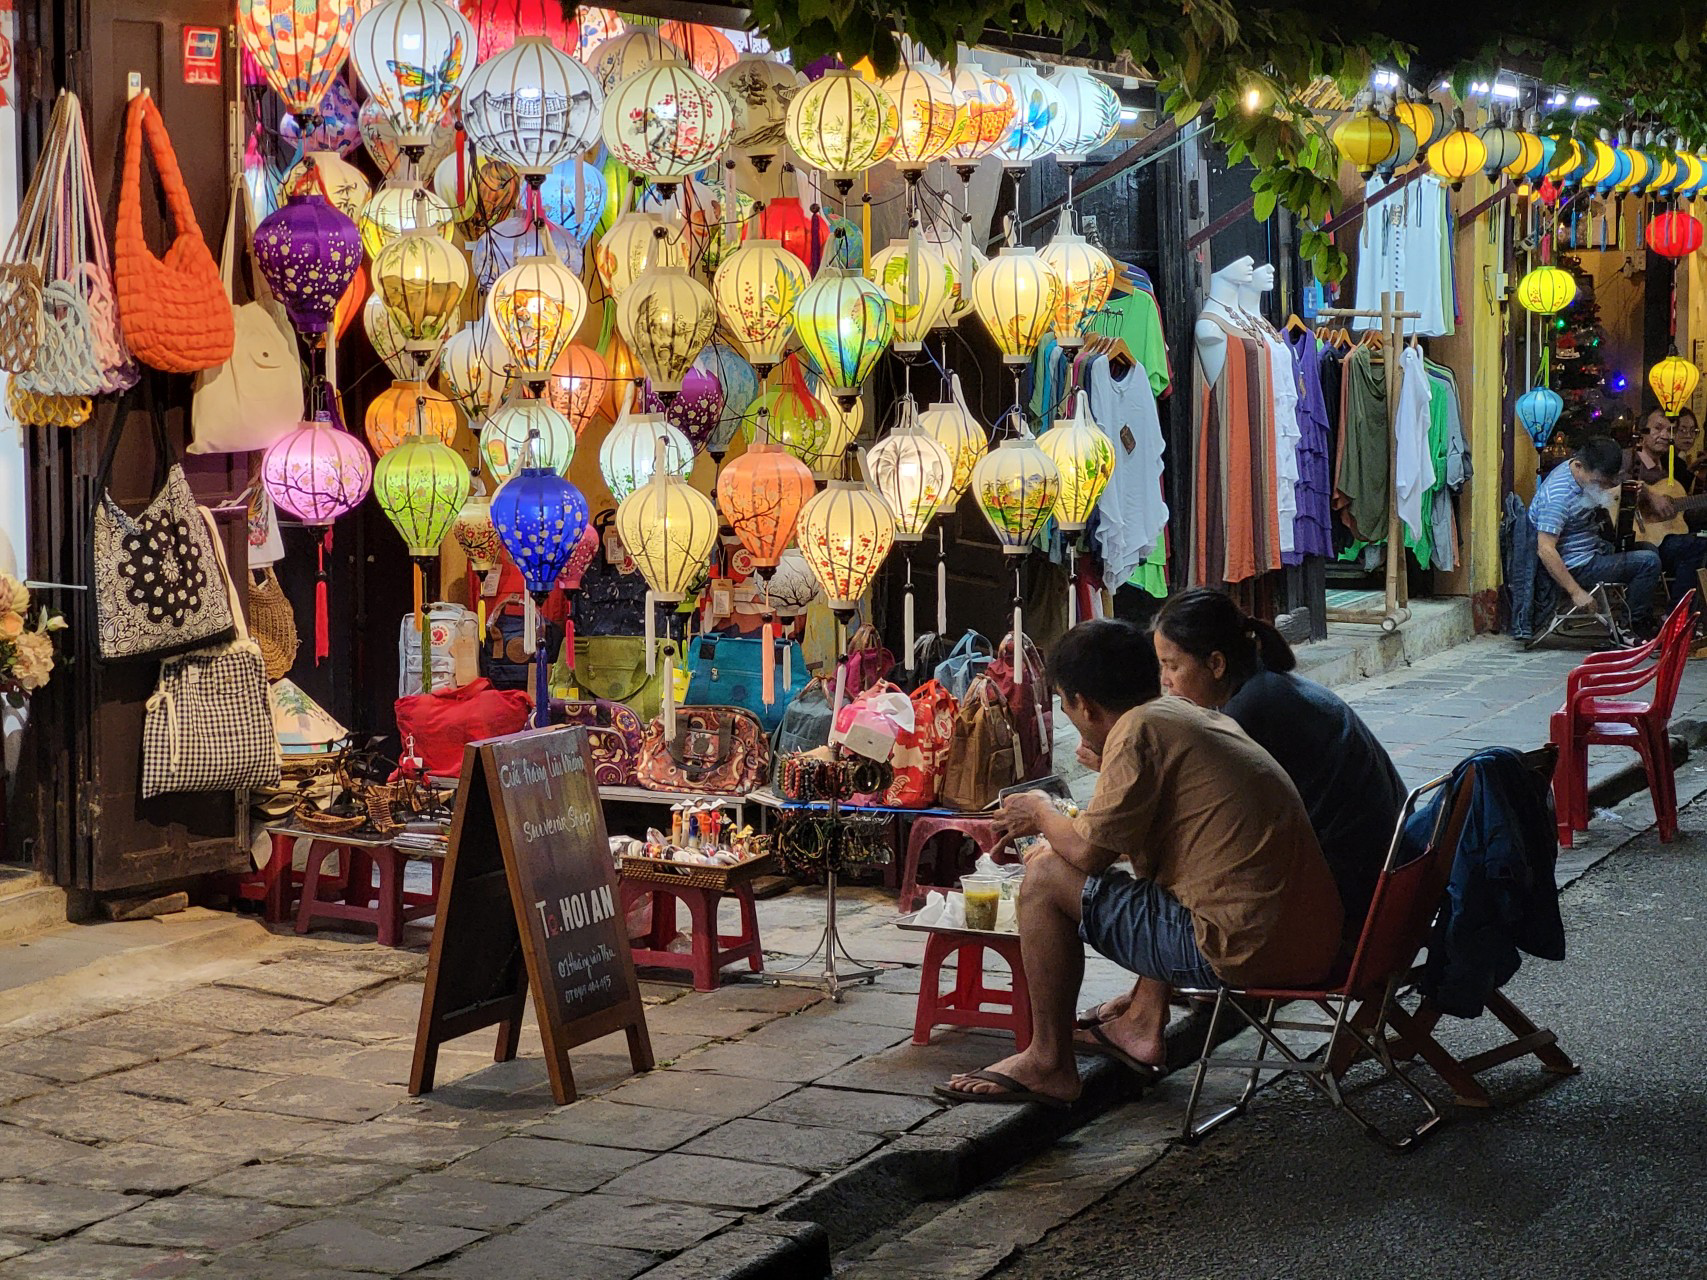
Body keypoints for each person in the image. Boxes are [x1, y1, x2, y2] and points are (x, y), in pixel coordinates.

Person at [936, 620, 1343, 1108]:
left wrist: (1041, 813)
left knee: (1044, 876)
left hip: (1244, 950)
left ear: (1082, 703)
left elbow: (1088, 853)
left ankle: (1048, 1061)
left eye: (1066, 706)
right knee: (1140, 874)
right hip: (1311, 940)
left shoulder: (1138, 730)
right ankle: (1142, 1023)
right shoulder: (1180, 715)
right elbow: (1141, 840)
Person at [1067, 591, 1408, 1058]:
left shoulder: (1248, 713)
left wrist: (1114, 771)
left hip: (1343, 906)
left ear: (1217, 664)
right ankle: (1146, 1004)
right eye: (1160, 667)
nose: (1165, 683)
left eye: (1173, 667)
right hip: (1385, 889)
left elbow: (1187, 831)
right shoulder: (1266, 691)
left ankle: (1146, 1012)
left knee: (1184, 859)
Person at [1529, 436, 1662, 633]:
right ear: (1580, 466)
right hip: (1578, 565)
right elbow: (1545, 549)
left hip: (1593, 549)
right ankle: (1629, 628)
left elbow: (1602, 490)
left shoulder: (1579, 471)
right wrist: (1576, 592)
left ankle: (1637, 618)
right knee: (1648, 562)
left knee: (1649, 548)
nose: (1602, 488)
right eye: (1599, 482)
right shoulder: (1557, 497)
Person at [1623, 409, 1707, 609]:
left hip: (1662, 538)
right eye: (1657, 428)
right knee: (1651, 555)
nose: (1664, 435)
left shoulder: (1666, 467)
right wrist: (1650, 495)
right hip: (1634, 538)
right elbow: (1616, 483)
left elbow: (1680, 510)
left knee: (1699, 543)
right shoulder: (1628, 458)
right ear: (1642, 432)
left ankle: (1678, 615)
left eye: (1669, 430)